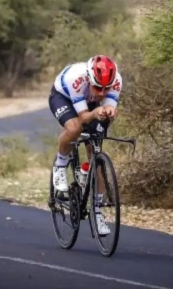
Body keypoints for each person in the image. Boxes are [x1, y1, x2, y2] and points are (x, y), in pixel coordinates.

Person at [48, 54, 122, 236]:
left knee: (96, 147)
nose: (102, 93)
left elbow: (110, 105)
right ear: (89, 78)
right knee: (75, 128)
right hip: (63, 97)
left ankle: (97, 212)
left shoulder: (117, 80)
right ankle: (60, 165)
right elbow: (83, 117)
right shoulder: (76, 79)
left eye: (106, 89)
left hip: (88, 101)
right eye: (98, 87)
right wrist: (97, 111)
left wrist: (110, 111)